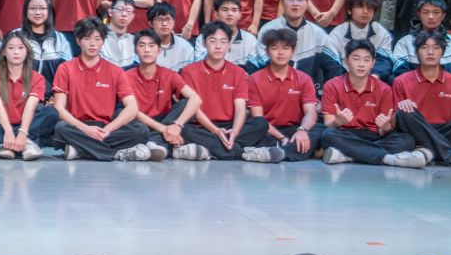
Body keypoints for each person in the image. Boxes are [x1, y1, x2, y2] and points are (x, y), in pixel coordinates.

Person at [51, 18, 155, 161]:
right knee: (60, 128)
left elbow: (132, 107)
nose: (92, 43)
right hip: (77, 125)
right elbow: (59, 108)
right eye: (87, 38)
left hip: (106, 126)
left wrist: (108, 130)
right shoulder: (65, 68)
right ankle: (116, 154)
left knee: (141, 131)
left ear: (103, 41)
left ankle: (82, 150)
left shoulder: (115, 71)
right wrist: (86, 129)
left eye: (97, 39)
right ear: (78, 41)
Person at [316, 41, 422, 167]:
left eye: (366, 60)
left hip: (373, 135)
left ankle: (347, 156)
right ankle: (387, 158)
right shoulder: (332, 85)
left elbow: (383, 130)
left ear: (373, 63)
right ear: (346, 61)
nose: (361, 64)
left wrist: (386, 127)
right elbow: (328, 123)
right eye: (356, 59)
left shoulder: (384, 89)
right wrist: (338, 121)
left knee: (406, 140)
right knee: (328, 135)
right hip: (345, 134)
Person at [390, 29, 451, 167]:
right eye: (424, 47)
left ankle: (427, 149)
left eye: (436, 48)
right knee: (404, 113)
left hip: (447, 129)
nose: (430, 52)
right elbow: (394, 122)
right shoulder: (401, 81)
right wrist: (402, 106)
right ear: (417, 52)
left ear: (443, 52)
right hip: (417, 128)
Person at [178, 24, 265, 161]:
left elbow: (240, 108)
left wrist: (235, 132)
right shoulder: (188, 71)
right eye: (212, 41)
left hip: (229, 126)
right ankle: (240, 152)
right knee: (183, 129)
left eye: (223, 41)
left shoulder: (238, 72)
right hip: (201, 126)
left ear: (229, 45)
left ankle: (213, 149)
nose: (218, 46)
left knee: (261, 124)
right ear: (204, 44)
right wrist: (216, 131)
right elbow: (194, 109)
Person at [241, 26, 321, 163]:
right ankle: (290, 150)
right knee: (254, 127)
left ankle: (278, 152)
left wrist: (302, 130)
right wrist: (282, 137)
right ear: (267, 51)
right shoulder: (254, 79)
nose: (280, 53)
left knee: (320, 129)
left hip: (295, 128)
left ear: (292, 52)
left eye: (285, 48)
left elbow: (310, 113)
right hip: (268, 130)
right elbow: (258, 118)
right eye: (275, 48)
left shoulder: (304, 79)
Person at [0, 35, 54, 160]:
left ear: (27, 52)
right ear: (4, 52)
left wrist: (22, 133)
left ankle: (25, 142)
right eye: (11, 48)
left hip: (26, 127)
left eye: (21, 48)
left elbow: (31, 106)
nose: (16, 52)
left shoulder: (37, 78)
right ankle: (4, 145)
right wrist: (8, 132)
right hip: (0, 126)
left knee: (51, 112)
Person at [124, 29, 202, 160]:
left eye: (151, 45)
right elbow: (132, 111)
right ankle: (170, 148)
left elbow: (195, 99)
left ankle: (153, 143)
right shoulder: (126, 76)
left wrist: (177, 125)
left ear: (159, 50)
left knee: (185, 104)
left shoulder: (169, 74)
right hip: (140, 122)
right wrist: (164, 129)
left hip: (166, 119)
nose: (147, 50)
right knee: (132, 125)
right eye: (142, 45)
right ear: (135, 51)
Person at [268, 0, 343, 85]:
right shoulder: (268, 30)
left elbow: (334, 65)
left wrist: (329, 92)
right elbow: (257, 65)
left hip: (309, 90)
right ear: (281, 3)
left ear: (307, 3)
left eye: (300, 0)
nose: (295, 4)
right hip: (275, 89)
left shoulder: (318, 33)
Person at [328, 0, 397, 80]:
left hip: (373, 78)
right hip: (343, 78)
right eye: (360, 7)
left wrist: (375, 76)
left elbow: (385, 60)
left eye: (370, 8)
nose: (365, 11)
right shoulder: (337, 33)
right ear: (349, 10)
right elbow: (331, 62)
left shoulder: (381, 33)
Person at [392, 0, 451, 75]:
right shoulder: (404, 43)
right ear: (419, 15)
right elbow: (400, 74)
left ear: (443, 16)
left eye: (436, 12)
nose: (431, 17)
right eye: (425, 12)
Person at [10, 0, 73, 85]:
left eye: (42, 8)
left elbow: (68, 71)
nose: (37, 12)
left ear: (49, 11)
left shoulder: (59, 39)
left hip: (52, 93)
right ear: (26, 10)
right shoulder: (15, 36)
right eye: (32, 8)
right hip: (21, 92)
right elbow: (3, 68)